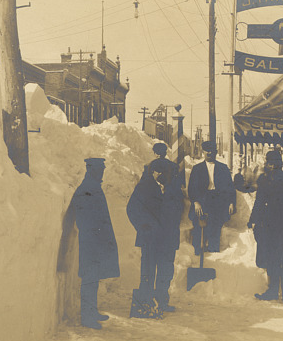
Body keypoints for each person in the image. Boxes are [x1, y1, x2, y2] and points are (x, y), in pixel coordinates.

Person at [127, 155, 183, 316]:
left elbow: (179, 211)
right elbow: (132, 209)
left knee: (166, 271)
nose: (167, 176)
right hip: (150, 238)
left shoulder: (174, 189)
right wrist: (144, 226)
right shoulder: (144, 187)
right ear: (155, 173)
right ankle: (145, 303)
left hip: (168, 238)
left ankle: (162, 301)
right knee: (148, 270)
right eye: (163, 172)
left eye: (169, 172)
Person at [68, 158, 120, 329]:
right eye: (100, 170)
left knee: (93, 278)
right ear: (92, 170)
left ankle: (92, 312)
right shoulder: (87, 189)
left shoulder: (93, 186)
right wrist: (95, 235)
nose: (102, 173)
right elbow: (83, 219)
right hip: (91, 243)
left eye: (102, 170)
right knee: (89, 279)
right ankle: (87, 318)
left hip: (95, 242)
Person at [248, 150, 283, 305]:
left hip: (270, 227)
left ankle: (274, 292)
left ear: (271, 164)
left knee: (272, 259)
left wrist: (252, 221)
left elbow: (259, 203)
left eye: (268, 162)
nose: (267, 165)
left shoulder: (265, 181)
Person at [188, 141, 235, 255]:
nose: (209, 153)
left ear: (216, 152)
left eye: (212, 150)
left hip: (218, 201)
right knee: (199, 227)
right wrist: (196, 202)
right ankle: (198, 255)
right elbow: (191, 188)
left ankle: (214, 253)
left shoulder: (223, 168)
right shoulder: (197, 168)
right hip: (202, 200)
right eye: (206, 150)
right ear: (203, 152)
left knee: (215, 226)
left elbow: (230, 188)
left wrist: (231, 203)